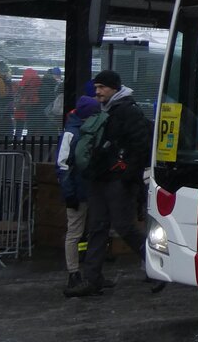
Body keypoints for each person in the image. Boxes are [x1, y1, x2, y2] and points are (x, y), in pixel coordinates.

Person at [64, 70, 152, 298]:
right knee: (98, 227)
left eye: (102, 87)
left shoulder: (127, 111)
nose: (98, 92)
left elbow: (140, 145)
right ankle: (92, 279)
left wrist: (126, 173)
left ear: (114, 87)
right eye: (96, 88)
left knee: (123, 226)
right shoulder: (108, 109)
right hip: (102, 177)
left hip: (116, 179)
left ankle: (158, 263)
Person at [56, 93, 100, 290]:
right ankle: (74, 272)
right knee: (76, 233)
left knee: (76, 232)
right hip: (82, 190)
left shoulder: (73, 131)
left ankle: (77, 272)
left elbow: (63, 166)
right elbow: (63, 166)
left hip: (82, 190)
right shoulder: (76, 132)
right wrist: (70, 194)